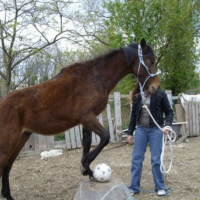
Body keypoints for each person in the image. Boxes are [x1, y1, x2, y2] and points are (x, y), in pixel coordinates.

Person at [127, 83, 173, 196]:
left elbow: (169, 112)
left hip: (155, 130)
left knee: (156, 159)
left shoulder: (160, 95)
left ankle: (160, 187)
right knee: (136, 159)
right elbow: (133, 115)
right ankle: (134, 187)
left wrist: (167, 125)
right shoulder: (137, 96)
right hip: (141, 130)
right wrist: (130, 132)